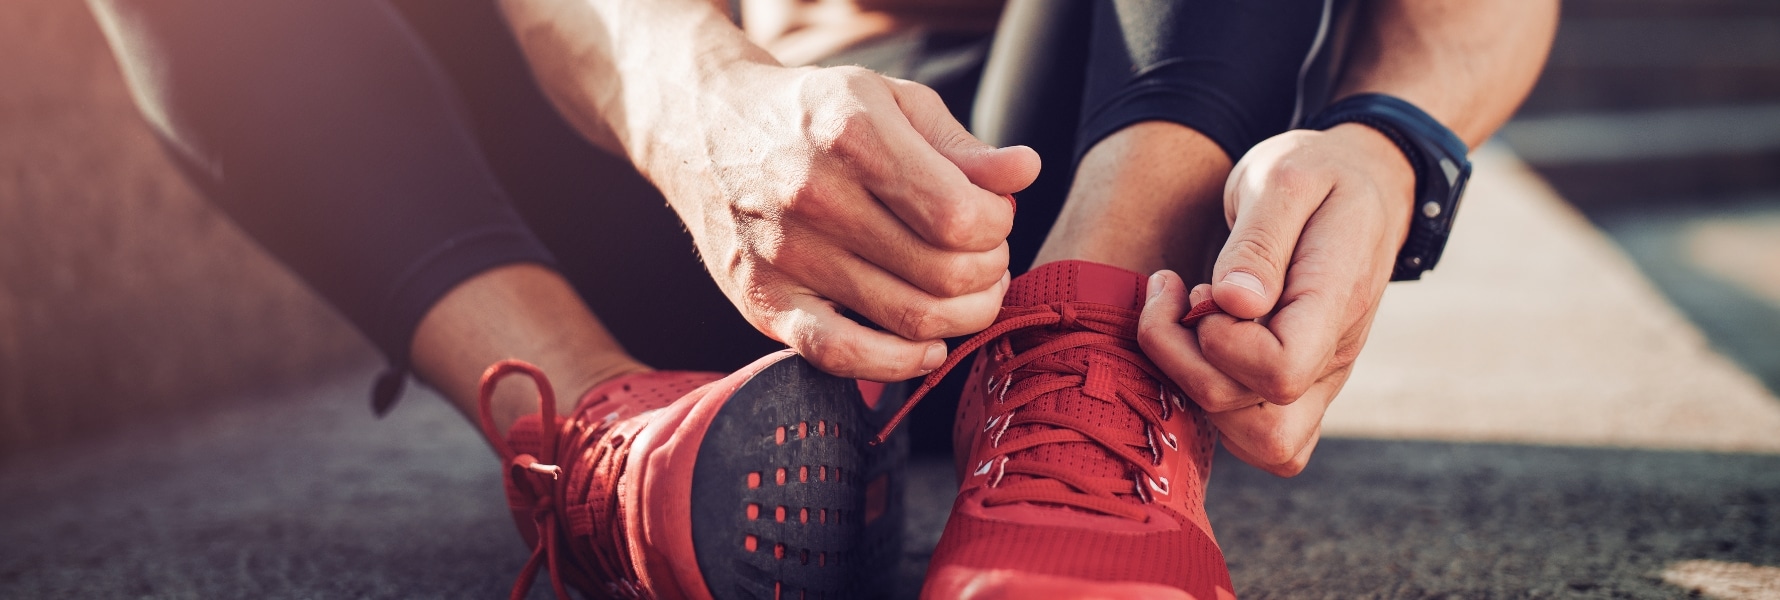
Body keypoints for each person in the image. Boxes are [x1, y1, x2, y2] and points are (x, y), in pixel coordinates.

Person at [88, 0, 1556, 597]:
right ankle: (599, 432)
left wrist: (1392, 141)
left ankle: (1088, 378)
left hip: (1091, 162)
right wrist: (703, 98)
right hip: (677, 177)